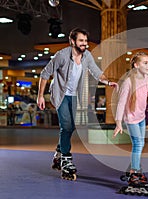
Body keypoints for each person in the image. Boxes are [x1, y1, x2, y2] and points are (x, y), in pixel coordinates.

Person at [37, 28, 117, 180]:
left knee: (72, 126)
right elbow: (45, 73)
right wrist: (40, 96)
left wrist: (107, 81)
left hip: (74, 95)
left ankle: (58, 153)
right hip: (60, 95)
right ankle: (66, 159)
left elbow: (96, 71)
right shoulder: (62, 55)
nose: (84, 44)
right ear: (73, 41)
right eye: (81, 41)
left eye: (86, 41)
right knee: (66, 126)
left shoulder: (86, 56)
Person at [113, 52, 148, 196]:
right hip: (130, 118)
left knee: (141, 143)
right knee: (138, 144)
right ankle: (134, 173)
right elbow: (121, 103)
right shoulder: (128, 82)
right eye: (145, 63)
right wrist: (118, 123)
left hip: (141, 117)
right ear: (136, 65)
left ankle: (133, 168)